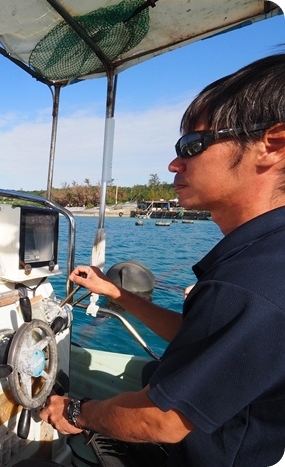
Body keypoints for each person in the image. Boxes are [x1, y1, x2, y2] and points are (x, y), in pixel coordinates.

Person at [39, 53, 285, 466]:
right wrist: (117, 293)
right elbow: (201, 335)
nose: (174, 163)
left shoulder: (250, 280)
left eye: (193, 145)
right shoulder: (264, 254)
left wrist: (76, 412)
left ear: (273, 146)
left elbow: (161, 420)